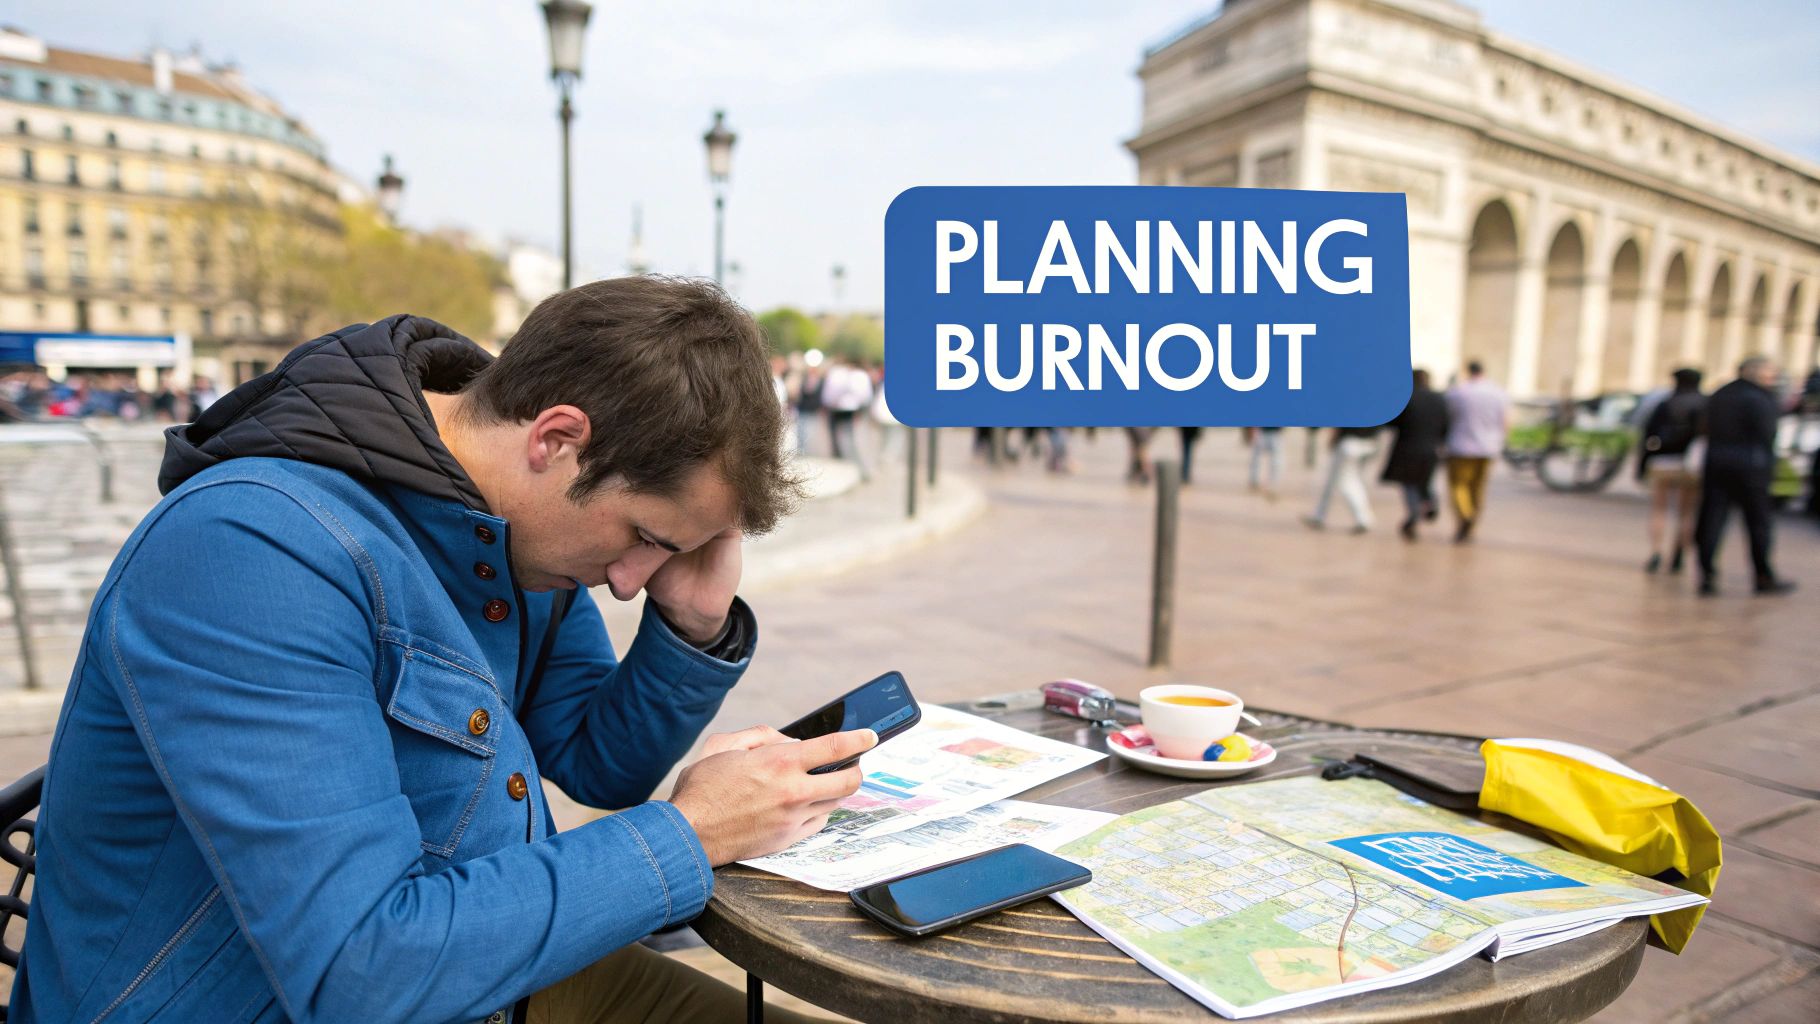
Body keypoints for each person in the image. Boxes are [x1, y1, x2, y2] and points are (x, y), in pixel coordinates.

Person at [10, 278, 866, 1024]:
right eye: (643, 537)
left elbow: (597, 765)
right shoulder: (250, 551)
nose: (630, 583)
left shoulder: (507, 527)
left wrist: (693, 626)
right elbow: (363, 975)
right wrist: (692, 833)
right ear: (557, 439)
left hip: (486, 975)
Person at [1695, 355, 1795, 596]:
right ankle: (1762, 575)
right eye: (1769, 374)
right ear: (1757, 373)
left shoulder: (1720, 394)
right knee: (1758, 523)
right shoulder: (1761, 398)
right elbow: (1767, 434)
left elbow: (1703, 426)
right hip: (1752, 467)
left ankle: (1707, 573)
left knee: (1712, 519)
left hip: (1717, 463)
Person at [1638, 368, 1706, 574]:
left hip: (1663, 461)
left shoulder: (1665, 403)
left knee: (1659, 509)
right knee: (1686, 513)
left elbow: (1648, 436)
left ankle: (1656, 551)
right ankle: (1678, 555)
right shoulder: (1705, 404)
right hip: (1691, 464)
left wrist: (1641, 465)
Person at [1443, 359, 1510, 543]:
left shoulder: (1458, 393)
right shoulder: (1498, 393)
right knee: (1478, 487)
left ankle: (1465, 515)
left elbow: (1447, 418)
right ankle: (1472, 521)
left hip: (1461, 447)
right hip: (1488, 447)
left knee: (1459, 485)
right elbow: (1505, 421)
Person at [1381, 369, 1451, 542]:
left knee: (1409, 484)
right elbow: (1447, 424)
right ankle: (1431, 503)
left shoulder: (1405, 399)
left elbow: (1392, 422)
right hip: (1431, 448)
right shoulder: (1439, 399)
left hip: (1407, 448)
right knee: (1425, 481)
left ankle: (1414, 513)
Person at [1303, 425, 1382, 533]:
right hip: (1369, 443)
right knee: (1341, 481)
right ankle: (1319, 515)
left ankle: (1363, 519)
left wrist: (1333, 438)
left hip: (1350, 444)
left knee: (1346, 483)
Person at [1247, 426, 1283, 499]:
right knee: (1256, 459)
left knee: (1276, 461)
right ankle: (1255, 481)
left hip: (1275, 433)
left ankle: (1272, 484)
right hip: (1262, 432)